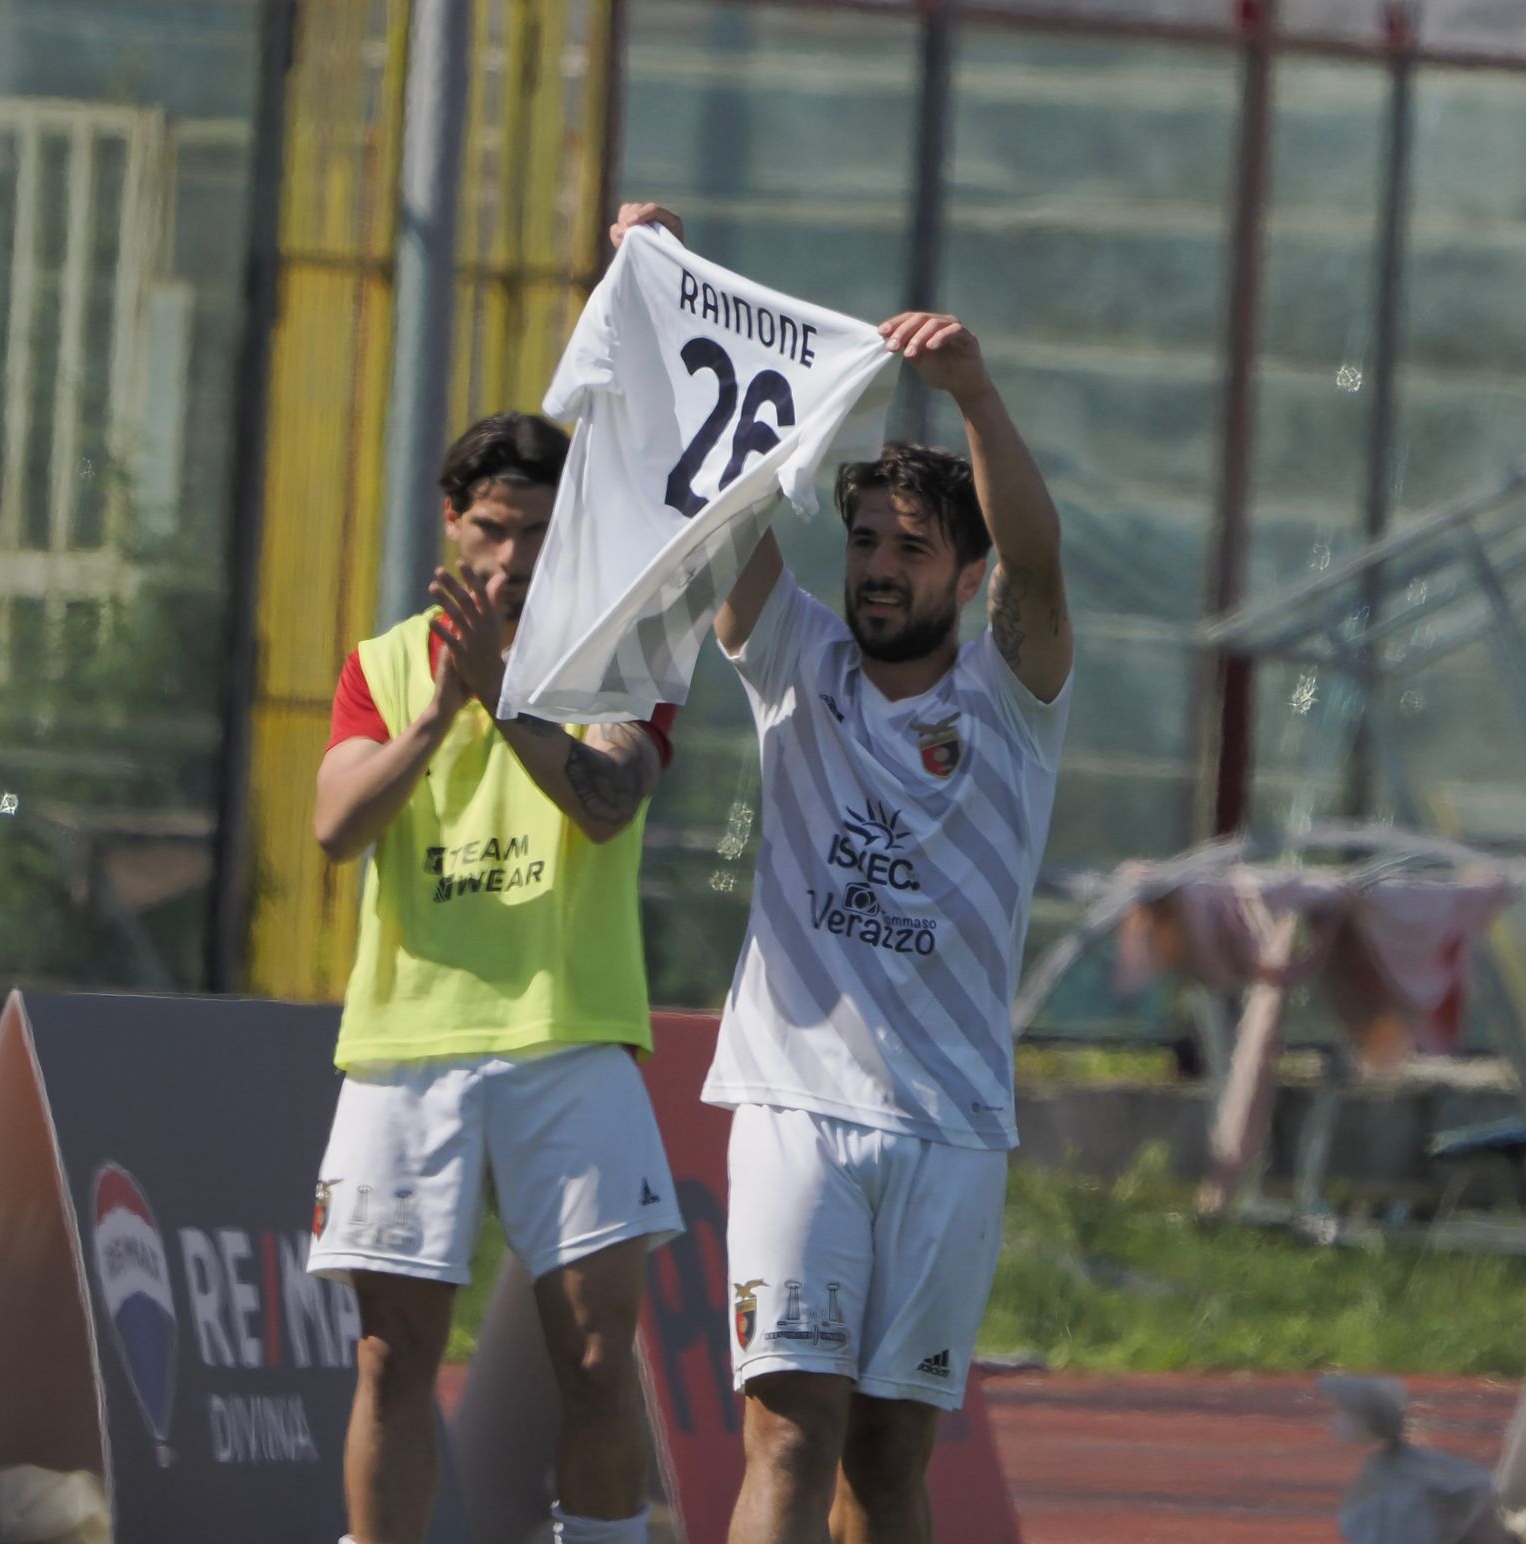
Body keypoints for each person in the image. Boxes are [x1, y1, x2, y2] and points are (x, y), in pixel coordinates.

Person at [612, 201, 1076, 1544]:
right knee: (785, 1434)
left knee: (888, 1462)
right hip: (794, 1110)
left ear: (967, 578)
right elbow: (718, 497)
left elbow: (1039, 559)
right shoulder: (794, 663)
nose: (875, 569)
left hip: (950, 1126)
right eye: (864, 542)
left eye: (910, 549)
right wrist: (665, 292)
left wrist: (974, 394)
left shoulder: (1011, 703)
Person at [307, 412, 683, 1544]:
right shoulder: (381, 662)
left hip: (568, 1036)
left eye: (537, 531)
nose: (511, 557)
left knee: (597, 1359)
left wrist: (505, 691)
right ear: (451, 522)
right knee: (390, 1359)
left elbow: (606, 803)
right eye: (490, 527)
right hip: (405, 1047)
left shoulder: (618, 649)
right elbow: (334, 827)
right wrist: (441, 707)